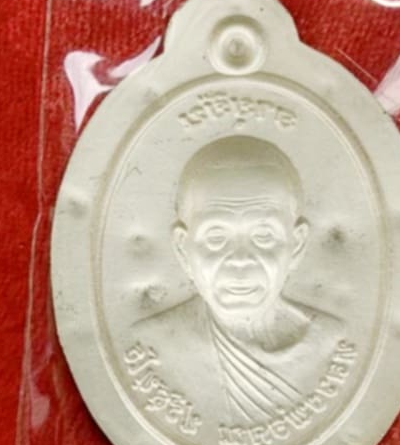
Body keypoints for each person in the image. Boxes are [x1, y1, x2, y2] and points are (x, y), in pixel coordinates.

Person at [131, 135, 345, 430]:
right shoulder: (149, 346)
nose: (240, 259)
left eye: (263, 235)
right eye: (216, 237)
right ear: (183, 248)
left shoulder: (331, 344)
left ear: (296, 245)